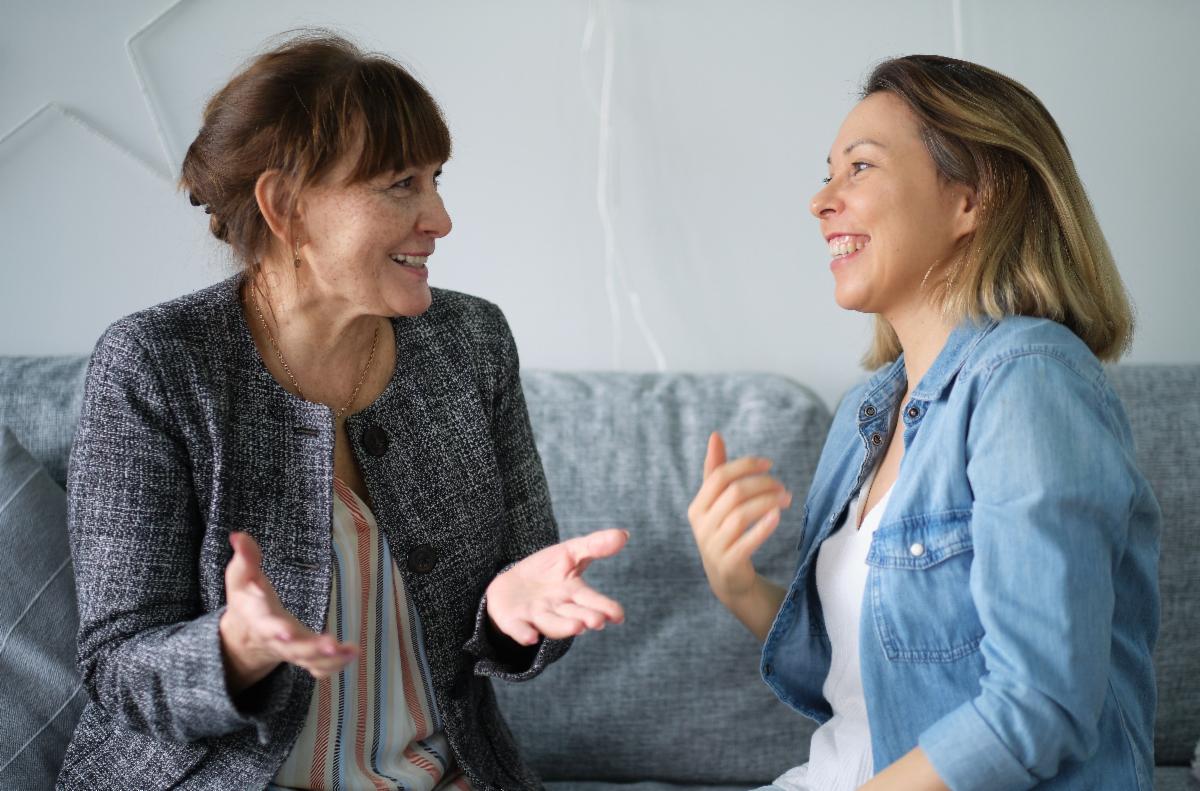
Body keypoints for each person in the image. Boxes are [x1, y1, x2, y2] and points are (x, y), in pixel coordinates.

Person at [60, 32, 627, 791]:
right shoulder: (157, 364)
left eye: (435, 179)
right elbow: (118, 669)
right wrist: (232, 650)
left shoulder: (471, 341)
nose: (440, 218)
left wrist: (507, 612)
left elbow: (531, 590)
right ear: (286, 207)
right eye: (400, 184)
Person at [688, 55, 1159, 791]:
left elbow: (1039, 705)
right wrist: (737, 583)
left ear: (972, 198)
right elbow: (865, 677)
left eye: (860, 167)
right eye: (828, 173)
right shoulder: (866, 415)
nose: (820, 200)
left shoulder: (1029, 379)